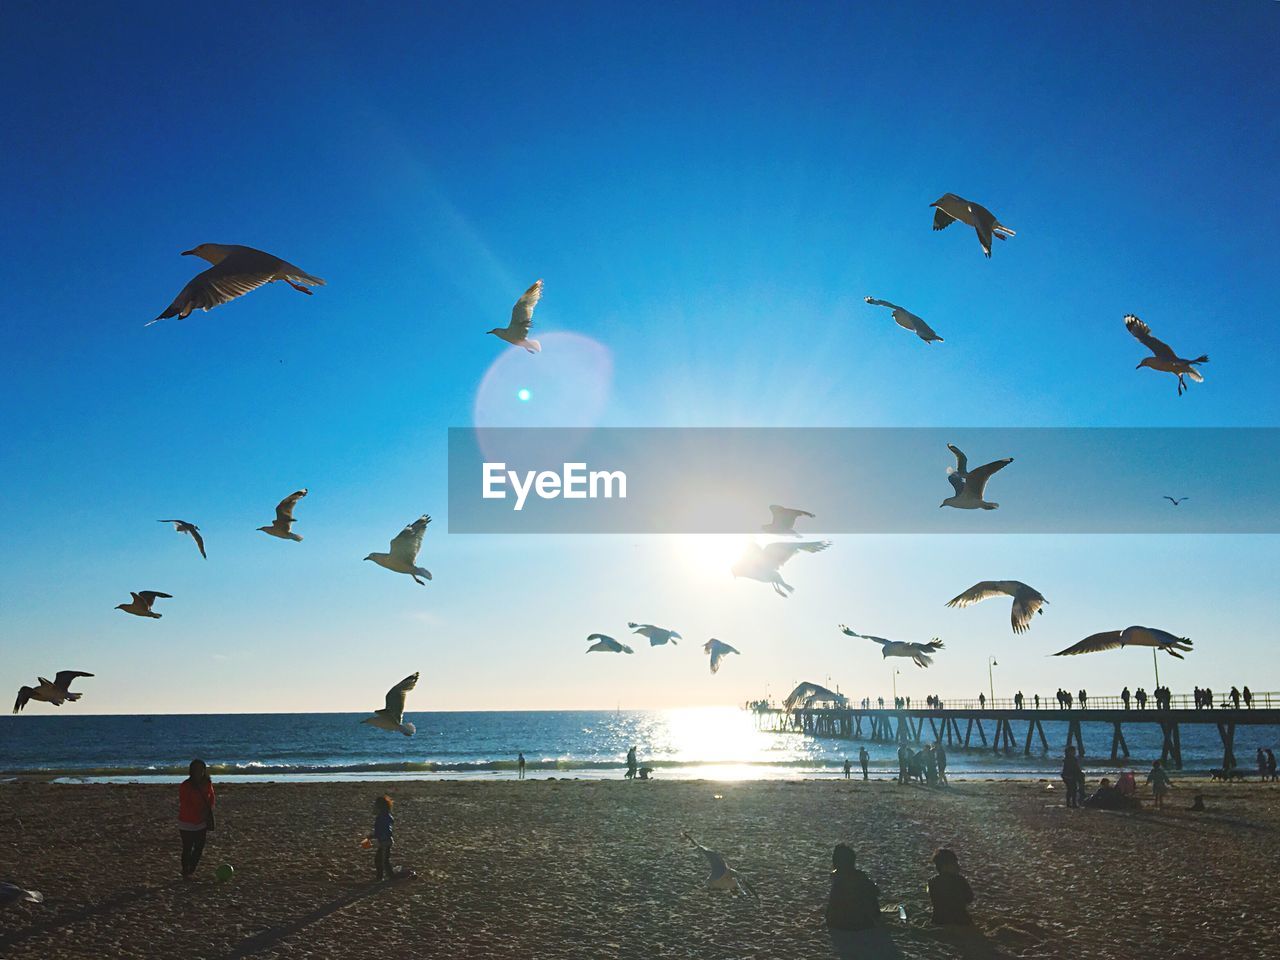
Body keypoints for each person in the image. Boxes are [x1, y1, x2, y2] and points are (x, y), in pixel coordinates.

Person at [825, 844, 887, 957]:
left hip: (835, 922)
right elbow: (876, 892)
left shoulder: (836, 877)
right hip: (859, 923)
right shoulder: (859, 876)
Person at [178, 758, 215, 880]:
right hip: (187, 822)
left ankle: (191, 869)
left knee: (199, 847)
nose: (199, 772)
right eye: (196, 769)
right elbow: (185, 803)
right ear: (191, 771)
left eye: (201, 769)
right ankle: (185, 871)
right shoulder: (186, 785)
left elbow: (211, 799)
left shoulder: (207, 783)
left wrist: (207, 812)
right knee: (187, 847)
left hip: (201, 822)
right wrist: (199, 812)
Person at [927, 849, 974, 926]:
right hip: (960, 919)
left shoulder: (932, 881)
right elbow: (969, 898)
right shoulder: (959, 880)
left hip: (938, 919)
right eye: (954, 864)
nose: (958, 867)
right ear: (945, 866)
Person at [368, 795, 395, 880]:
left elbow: (383, 830)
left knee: (381, 861)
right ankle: (388, 876)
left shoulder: (382, 817)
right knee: (383, 860)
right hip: (385, 841)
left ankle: (383, 877)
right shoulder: (385, 816)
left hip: (385, 842)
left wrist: (375, 836)